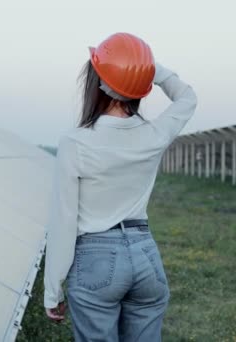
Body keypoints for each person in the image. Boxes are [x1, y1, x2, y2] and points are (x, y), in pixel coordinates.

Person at [42, 32, 197, 341]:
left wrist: (52, 290)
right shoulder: (154, 134)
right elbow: (188, 97)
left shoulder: (75, 143)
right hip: (146, 256)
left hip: (96, 260)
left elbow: (64, 221)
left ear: (97, 83)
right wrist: (148, 68)